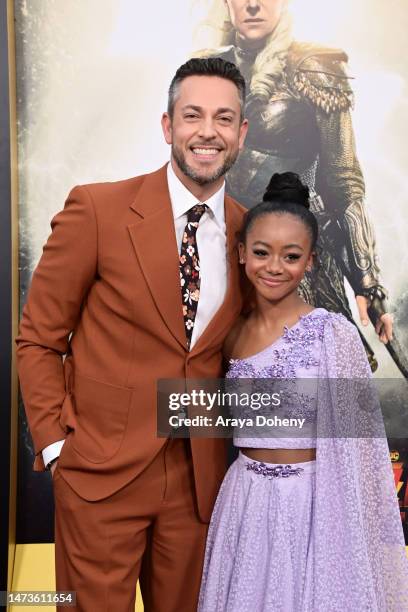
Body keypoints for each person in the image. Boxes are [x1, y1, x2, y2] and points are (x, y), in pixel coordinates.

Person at [16, 57, 249, 612]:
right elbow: (38, 339)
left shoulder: (251, 233)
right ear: (168, 126)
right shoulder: (96, 209)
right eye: (193, 115)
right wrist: (56, 446)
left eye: (224, 118)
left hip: (201, 486)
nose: (207, 131)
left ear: (241, 134)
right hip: (99, 473)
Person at [198, 172, 408, 611]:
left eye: (291, 256)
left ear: (310, 260)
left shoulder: (335, 334)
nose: (274, 267)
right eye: (261, 252)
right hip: (246, 503)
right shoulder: (227, 334)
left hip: (314, 508)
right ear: (240, 253)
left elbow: (364, 454)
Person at [193, 0, 404, 374]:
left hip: (295, 251)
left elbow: (343, 179)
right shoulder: (207, 70)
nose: (254, 5)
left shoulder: (315, 68)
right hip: (223, 248)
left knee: (310, 387)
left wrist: (366, 282)